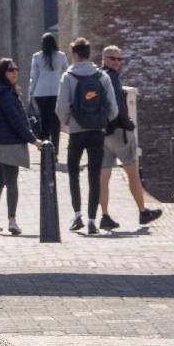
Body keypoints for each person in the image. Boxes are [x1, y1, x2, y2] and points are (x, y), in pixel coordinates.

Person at [97, 44, 165, 230]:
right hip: (119, 133)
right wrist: (127, 123)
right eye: (113, 58)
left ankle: (104, 216)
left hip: (102, 133)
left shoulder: (95, 77)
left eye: (119, 59)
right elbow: (116, 106)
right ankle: (143, 212)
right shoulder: (112, 78)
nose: (117, 62)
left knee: (103, 177)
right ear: (104, 59)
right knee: (133, 174)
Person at [57, 37, 119, 232]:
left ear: (75, 55)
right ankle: (93, 220)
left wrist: (68, 124)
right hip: (97, 132)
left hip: (76, 131)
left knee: (74, 173)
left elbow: (61, 107)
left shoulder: (68, 77)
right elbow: (113, 108)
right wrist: (101, 120)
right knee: (94, 175)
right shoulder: (102, 77)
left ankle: (77, 216)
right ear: (89, 54)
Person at [0, 57, 35, 236]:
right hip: (8, 142)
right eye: (11, 70)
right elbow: (16, 120)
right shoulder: (6, 93)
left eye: (16, 69)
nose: (15, 72)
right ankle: (12, 220)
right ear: (3, 73)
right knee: (11, 182)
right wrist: (34, 140)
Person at [26, 32, 68, 148]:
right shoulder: (61, 56)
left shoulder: (37, 56)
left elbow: (33, 77)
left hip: (40, 92)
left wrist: (31, 93)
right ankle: (55, 151)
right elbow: (67, 72)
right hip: (56, 92)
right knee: (55, 122)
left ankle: (45, 150)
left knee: (44, 121)